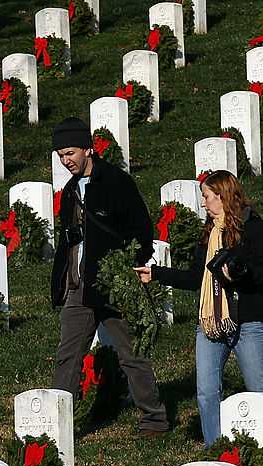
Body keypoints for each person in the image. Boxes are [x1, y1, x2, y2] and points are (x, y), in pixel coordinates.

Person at [134, 170, 263, 448]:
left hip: (248, 321)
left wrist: (241, 274)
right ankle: (216, 449)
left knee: (261, 388)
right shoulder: (208, 233)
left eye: (207, 197)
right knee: (207, 392)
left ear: (222, 196)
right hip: (211, 321)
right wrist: (156, 274)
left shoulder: (255, 229)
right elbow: (198, 277)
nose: (204, 204)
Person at [50, 117, 169, 436]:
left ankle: (154, 419)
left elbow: (143, 231)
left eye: (71, 152)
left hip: (115, 284)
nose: (66, 160)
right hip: (79, 286)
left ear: (89, 148)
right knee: (68, 357)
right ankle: (57, 427)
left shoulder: (116, 182)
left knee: (131, 354)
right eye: (61, 155)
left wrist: (127, 266)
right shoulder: (70, 191)